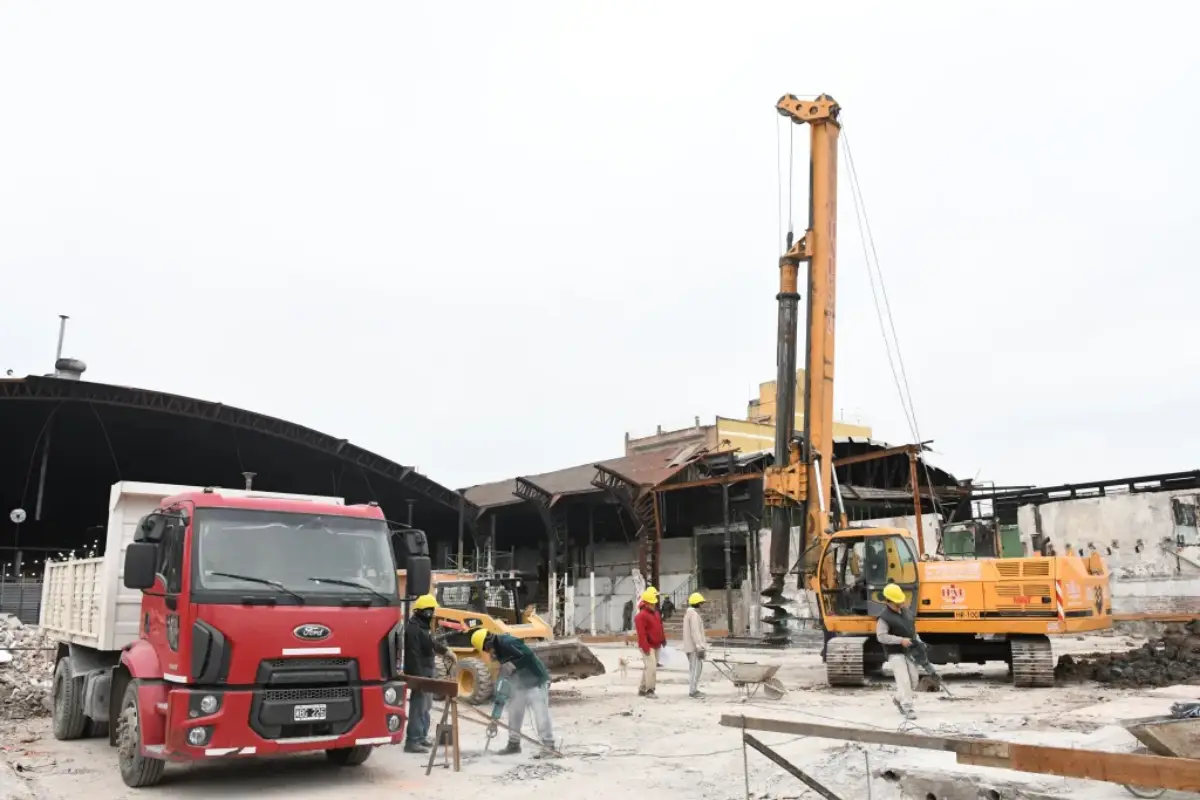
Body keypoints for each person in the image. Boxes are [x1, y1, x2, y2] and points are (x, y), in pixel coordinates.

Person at [470, 628, 557, 758]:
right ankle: (513, 744)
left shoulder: (507, 642)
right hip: (521, 684)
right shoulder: (498, 651)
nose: (488, 653)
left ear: (487, 644)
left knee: (540, 714)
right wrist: (495, 715)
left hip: (536, 681)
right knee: (514, 713)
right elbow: (504, 680)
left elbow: (527, 654)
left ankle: (549, 746)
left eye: (486, 649)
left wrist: (514, 664)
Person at [403, 594, 452, 753]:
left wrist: (445, 651)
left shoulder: (423, 627)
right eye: (432, 610)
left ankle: (421, 736)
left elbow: (431, 643)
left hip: (427, 671)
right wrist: (419, 678)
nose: (434, 613)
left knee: (426, 706)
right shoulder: (413, 628)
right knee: (418, 707)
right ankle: (412, 741)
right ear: (426, 612)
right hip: (420, 672)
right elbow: (412, 654)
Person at [876, 582, 920, 720]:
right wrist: (900, 640)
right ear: (888, 601)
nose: (900, 604)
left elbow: (912, 630)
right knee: (904, 681)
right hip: (895, 652)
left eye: (901, 601)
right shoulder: (884, 618)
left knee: (914, 680)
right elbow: (881, 636)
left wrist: (918, 642)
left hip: (909, 651)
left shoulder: (906, 611)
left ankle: (898, 698)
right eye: (896, 603)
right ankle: (908, 707)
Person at [634, 586, 666, 698]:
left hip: (656, 644)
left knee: (649, 667)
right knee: (651, 667)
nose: (654, 605)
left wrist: (663, 639)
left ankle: (642, 689)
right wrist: (646, 648)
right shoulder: (640, 616)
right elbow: (641, 634)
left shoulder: (656, 613)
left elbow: (660, 627)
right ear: (646, 603)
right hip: (648, 646)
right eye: (652, 603)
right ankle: (650, 690)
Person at [681, 592, 708, 698]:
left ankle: (694, 689)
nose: (702, 605)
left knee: (696, 668)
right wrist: (699, 646)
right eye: (701, 603)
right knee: (695, 669)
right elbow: (695, 632)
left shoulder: (689, 614)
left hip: (690, 647)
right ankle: (693, 691)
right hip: (694, 647)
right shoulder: (693, 615)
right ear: (698, 603)